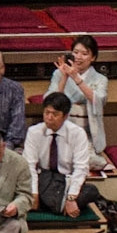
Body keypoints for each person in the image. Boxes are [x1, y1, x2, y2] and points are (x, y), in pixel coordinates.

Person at [24, 91, 95, 220]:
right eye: (47, 113)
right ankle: (56, 205)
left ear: (65, 116)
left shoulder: (77, 133)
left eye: (55, 114)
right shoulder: (34, 132)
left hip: (66, 181)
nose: (49, 117)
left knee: (91, 191)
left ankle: (55, 204)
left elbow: (81, 168)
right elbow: (29, 166)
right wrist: (33, 193)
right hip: (43, 179)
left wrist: (71, 197)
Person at [49, 34, 109, 164]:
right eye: (75, 52)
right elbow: (52, 103)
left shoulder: (100, 79)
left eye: (84, 53)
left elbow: (98, 100)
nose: (78, 57)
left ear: (93, 57)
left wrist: (76, 78)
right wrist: (64, 77)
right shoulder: (58, 74)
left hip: (87, 134)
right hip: (62, 129)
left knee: (89, 161)